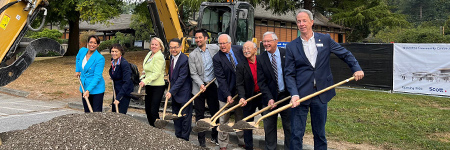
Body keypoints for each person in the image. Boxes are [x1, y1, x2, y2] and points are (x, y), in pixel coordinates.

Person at [285, 9, 364, 150]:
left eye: (304, 20)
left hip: (321, 93)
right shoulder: (291, 46)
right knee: (296, 134)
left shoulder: (325, 39)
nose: (301, 24)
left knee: (320, 134)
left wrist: (356, 68)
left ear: (311, 22)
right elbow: (289, 74)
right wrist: (294, 94)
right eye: (298, 21)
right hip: (301, 95)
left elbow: (345, 54)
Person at [257, 31, 291, 150]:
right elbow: (261, 82)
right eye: (264, 41)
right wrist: (269, 98)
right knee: (269, 128)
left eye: (268, 41)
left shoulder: (287, 54)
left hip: (287, 97)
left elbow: (292, 75)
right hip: (269, 98)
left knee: (289, 127)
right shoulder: (261, 58)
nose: (266, 44)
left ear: (276, 41)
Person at [213, 34, 246, 150]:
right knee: (223, 119)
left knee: (240, 117)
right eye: (220, 44)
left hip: (241, 92)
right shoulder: (217, 58)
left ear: (230, 43)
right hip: (225, 93)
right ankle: (223, 144)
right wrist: (228, 95)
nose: (222, 46)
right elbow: (221, 79)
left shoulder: (240, 50)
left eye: (224, 43)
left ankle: (242, 141)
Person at [189, 30, 220, 147]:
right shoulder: (192, 55)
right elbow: (193, 73)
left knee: (215, 112)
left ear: (206, 38)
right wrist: (201, 84)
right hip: (199, 87)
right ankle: (201, 139)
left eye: (200, 37)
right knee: (199, 114)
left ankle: (215, 135)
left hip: (213, 85)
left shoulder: (215, 48)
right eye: (196, 38)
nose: (198, 40)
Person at [236, 41, 262, 150]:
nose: (246, 51)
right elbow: (239, 84)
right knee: (247, 123)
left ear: (255, 50)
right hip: (249, 97)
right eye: (244, 49)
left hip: (262, 95)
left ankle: (271, 146)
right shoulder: (241, 65)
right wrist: (242, 97)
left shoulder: (262, 61)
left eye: (248, 48)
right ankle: (249, 146)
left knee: (269, 120)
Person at [166, 38, 192, 141]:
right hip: (175, 93)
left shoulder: (184, 60)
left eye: (176, 47)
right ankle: (178, 137)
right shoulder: (171, 58)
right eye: (171, 48)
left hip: (183, 93)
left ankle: (184, 139)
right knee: (176, 116)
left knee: (185, 117)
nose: (173, 50)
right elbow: (172, 72)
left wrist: (171, 91)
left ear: (180, 47)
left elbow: (182, 78)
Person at [139, 37, 166, 127]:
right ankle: (152, 128)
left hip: (157, 86)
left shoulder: (159, 57)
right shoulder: (149, 54)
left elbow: (156, 73)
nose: (153, 46)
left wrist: (145, 81)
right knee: (147, 109)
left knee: (153, 110)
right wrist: (143, 77)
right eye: (152, 44)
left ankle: (157, 129)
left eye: (156, 45)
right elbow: (146, 69)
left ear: (160, 47)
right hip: (149, 85)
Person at [75, 35, 105, 112]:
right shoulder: (82, 51)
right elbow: (78, 58)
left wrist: (88, 90)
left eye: (95, 43)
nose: (92, 45)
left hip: (96, 89)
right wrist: (77, 70)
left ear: (98, 45)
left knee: (96, 113)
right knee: (87, 111)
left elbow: (97, 77)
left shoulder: (100, 58)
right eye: (91, 42)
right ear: (87, 43)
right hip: (84, 86)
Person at [109, 44, 134, 114]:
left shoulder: (124, 64)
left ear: (121, 52)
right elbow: (113, 72)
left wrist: (118, 98)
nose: (114, 53)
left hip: (124, 92)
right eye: (112, 51)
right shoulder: (113, 61)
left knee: (121, 115)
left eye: (116, 51)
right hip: (117, 90)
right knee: (114, 113)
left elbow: (127, 82)